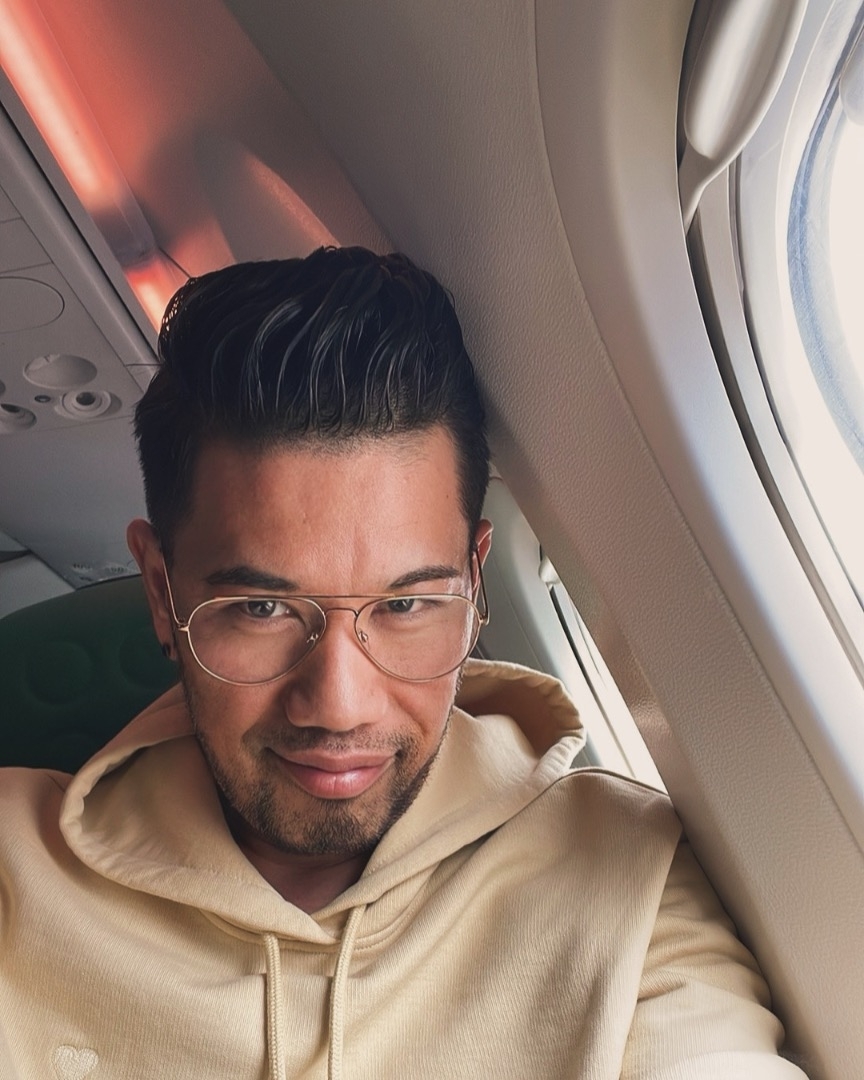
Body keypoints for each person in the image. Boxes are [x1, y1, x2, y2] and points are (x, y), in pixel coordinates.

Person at [0, 247, 806, 1079]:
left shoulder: (629, 876)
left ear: (474, 581)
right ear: (161, 590)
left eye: (406, 605)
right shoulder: (12, 872)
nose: (338, 706)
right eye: (263, 608)